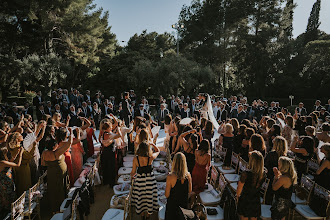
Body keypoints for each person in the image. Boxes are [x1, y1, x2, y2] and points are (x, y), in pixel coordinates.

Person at [41, 128, 72, 214]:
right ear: (54, 146)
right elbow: (69, 144)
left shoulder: (44, 153)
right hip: (59, 173)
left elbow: (43, 164)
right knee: (61, 189)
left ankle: (54, 209)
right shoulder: (57, 153)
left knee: (53, 190)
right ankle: (62, 207)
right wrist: (72, 133)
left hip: (51, 173)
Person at [131, 141, 160, 219]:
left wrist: (132, 177)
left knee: (141, 197)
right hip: (150, 180)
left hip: (140, 181)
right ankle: (148, 215)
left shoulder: (135, 159)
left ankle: (142, 215)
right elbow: (158, 151)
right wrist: (153, 144)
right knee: (149, 197)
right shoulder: (150, 158)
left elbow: (133, 172)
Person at [237, 150, 265, 220]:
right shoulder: (263, 174)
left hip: (245, 199)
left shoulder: (245, 174)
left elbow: (239, 189)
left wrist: (237, 197)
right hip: (255, 200)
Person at [165, 152, 193, 220]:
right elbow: (190, 191)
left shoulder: (170, 176)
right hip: (183, 208)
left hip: (172, 209)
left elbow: (166, 195)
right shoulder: (188, 175)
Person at [0, 145, 24, 219]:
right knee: (7, 203)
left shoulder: (4, 161)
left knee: (11, 202)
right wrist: (20, 155)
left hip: (8, 184)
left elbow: (11, 160)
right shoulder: (2, 162)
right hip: (4, 186)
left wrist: (17, 152)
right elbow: (17, 165)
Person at [264, 136, 288, 205]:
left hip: (270, 177)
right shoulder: (285, 156)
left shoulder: (271, 154)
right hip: (280, 180)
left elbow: (265, 165)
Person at [100, 120, 121, 187]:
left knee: (107, 167)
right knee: (111, 167)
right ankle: (112, 183)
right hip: (109, 153)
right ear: (108, 128)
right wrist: (119, 129)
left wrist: (114, 119)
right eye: (111, 127)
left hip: (107, 152)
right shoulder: (108, 134)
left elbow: (115, 124)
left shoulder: (106, 133)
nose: (112, 127)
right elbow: (119, 135)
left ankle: (107, 182)